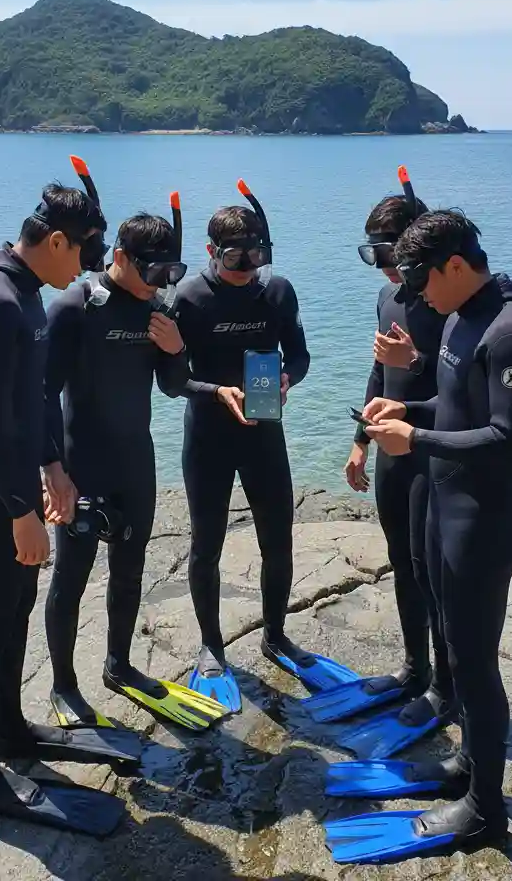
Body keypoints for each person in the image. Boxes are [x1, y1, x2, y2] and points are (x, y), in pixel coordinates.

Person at [324, 209, 512, 863]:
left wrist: (415, 437)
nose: (414, 293)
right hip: (443, 510)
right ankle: (465, 766)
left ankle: (486, 810)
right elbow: (455, 406)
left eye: (423, 278)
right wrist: (407, 407)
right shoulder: (458, 314)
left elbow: (505, 440)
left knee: (476, 665)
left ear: (456, 264)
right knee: (453, 646)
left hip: (484, 517)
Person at [0, 181, 136, 838]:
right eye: (85, 253)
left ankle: (9, 731)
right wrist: (21, 509)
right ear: (55, 240)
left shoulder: (25, 294)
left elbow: (35, 396)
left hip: (18, 483)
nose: (86, 267)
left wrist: (53, 464)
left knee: (16, 608)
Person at [42, 195, 230, 732]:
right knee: (71, 579)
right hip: (80, 469)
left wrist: (176, 351)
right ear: (119, 256)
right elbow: (42, 393)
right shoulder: (75, 306)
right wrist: (51, 469)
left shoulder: (156, 310)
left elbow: (174, 387)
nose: (161, 282)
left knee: (129, 574)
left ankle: (118, 665)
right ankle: (62, 684)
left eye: (172, 272)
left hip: (135, 468)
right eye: (152, 270)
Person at [175, 180, 356, 711]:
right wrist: (216, 390)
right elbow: (172, 378)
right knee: (206, 545)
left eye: (257, 254)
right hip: (208, 436)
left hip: (264, 433)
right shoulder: (190, 296)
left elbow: (299, 356)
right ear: (211, 252)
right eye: (236, 257)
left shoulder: (276, 291)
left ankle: (274, 634)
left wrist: (286, 381)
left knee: (278, 540)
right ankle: (212, 646)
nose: (248, 266)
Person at [304, 178, 455, 749]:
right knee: (401, 562)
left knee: (432, 571)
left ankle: (447, 683)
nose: (383, 269)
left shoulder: (448, 303)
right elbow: (379, 376)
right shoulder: (389, 298)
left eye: (389, 255)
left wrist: (414, 357)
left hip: (432, 454)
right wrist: (359, 441)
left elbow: (466, 386)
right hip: (391, 455)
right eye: (373, 256)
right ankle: (415, 669)